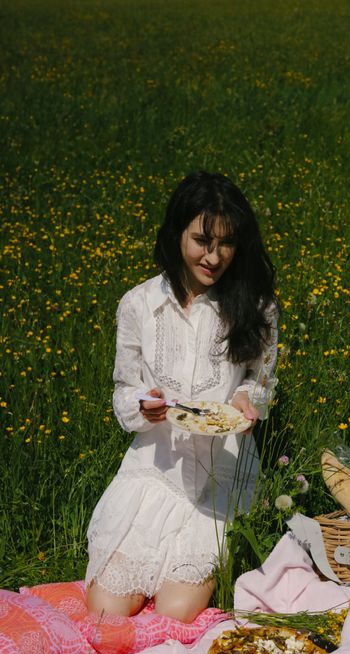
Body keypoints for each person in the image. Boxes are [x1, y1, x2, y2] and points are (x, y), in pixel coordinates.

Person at [85, 170, 278, 622]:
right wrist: (141, 407)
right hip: (157, 464)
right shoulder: (138, 304)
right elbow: (123, 389)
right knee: (106, 609)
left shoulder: (257, 305)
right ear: (177, 234)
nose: (213, 257)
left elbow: (260, 383)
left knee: (176, 611)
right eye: (201, 240)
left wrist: (246, 401)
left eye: (226, 244)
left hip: (221, 467)